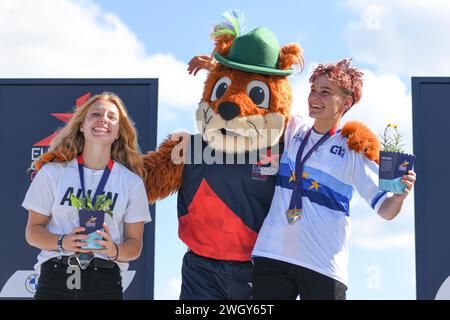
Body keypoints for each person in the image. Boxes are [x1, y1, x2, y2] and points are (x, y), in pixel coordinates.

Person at [250, 59, 417, 300]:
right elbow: (254, 105)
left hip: (322, 265)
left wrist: (400, 197)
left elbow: (387, 211)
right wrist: (219, 66)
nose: (314, 97)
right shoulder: (293, 127)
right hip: (272, 254)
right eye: (313, 90)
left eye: (325, 93)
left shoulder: (354, 148)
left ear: (346, 102)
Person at [23, 92, 151, 300]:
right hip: (55, 277)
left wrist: (113, 249)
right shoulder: (52, 173)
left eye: (112, 117)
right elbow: (32, 232)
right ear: (81, 125)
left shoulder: (131, 183)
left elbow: (134, 246)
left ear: (118, 132)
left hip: (105, 280)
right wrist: (63, 242)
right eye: (96, 114)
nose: (103, 120)